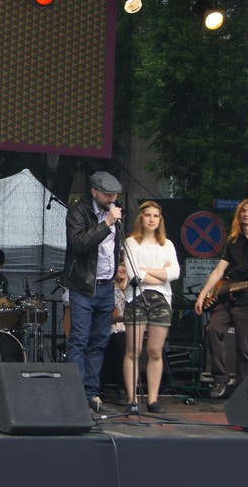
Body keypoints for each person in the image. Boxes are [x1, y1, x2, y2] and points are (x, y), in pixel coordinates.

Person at [196, 198, 248, 398]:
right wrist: (202, 294)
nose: (245, 214)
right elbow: (219, 270)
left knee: (245, 347)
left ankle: (243, 390)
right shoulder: (233, 240)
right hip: (228, 297)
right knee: (213, 330)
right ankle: (220, 378)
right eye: (243, 211)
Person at [63, 171, 123, 412]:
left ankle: (91, 393)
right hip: (83, 286)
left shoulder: (116, 214)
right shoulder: (78, 212)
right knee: (79, 339)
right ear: (94, 191)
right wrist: (106, 224)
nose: (112, 198)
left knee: (99, 341)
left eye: (115, 194)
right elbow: (78, 243)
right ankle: (75, 394)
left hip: (107, 286)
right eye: (108, 194)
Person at [122, 201, 180, 414]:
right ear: (141, 218)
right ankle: (132, 399)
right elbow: (133, 274)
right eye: (148, 215)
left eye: (156, 216)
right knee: (134, 350)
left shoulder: (167, 245)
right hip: (137, 297)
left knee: (155, 350)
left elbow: (174, 273)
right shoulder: (131, 243)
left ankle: (153, 400)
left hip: (161, 299)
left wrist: (146, 271)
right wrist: (161, 274)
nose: (152, 219)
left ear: (160, 219)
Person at [99, 262, 127, 404]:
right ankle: (99, 389)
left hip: (121, 328)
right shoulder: (105, 286)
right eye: (120, 265)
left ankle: (122, 390)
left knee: (122, 344)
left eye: (125, 266)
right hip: (104, 328)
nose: (123, 269)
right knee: (101, 346)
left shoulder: (129, 288)